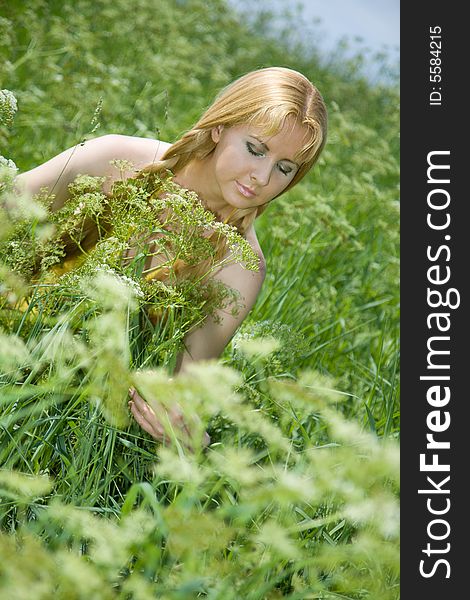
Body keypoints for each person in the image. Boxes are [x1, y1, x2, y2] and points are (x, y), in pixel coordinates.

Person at [15, 66, 328, 444]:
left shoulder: (241, 267)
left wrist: (185, 430)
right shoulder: (116, 158)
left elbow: (188, 385)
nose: (261, 177)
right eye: (255, 149)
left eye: (284, 168)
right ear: (220, 128)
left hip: (75, 411)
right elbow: (8, 206)